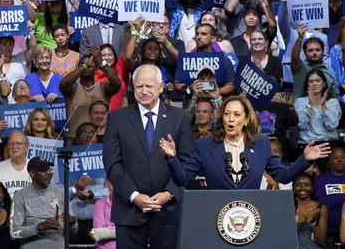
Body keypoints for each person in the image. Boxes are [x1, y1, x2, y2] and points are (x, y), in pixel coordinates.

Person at [103, 65, 193, 249]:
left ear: (161, 86)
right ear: (132, 88)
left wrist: (168, 194)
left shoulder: (180, 117)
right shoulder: (116, 118)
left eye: (149, 86)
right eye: (139, 86)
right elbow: (112, 164)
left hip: (169, 211)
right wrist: (134, 196)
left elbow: (187, 163)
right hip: (129, 211)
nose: (144, 91)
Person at [161, 95, 330, 187]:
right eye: (226, 114)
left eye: (236, 115)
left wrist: (305, 159)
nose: (230, 119)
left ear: (246, 119)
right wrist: (172, 157)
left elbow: (283, 176)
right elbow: (182, 179)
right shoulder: (205, 145)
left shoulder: (262, 143)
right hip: (217, 214)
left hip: (250, 215)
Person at [9, 157, 76, 247]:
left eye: (49, 170)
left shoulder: (60, 193)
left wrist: (72, 222)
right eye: (43, 171)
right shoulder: (20, 196)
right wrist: (39, 227)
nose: (48, 173)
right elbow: (14, 233)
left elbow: (74, 231)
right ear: (32, 174)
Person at [314, 141, 345, 243]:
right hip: (328, 231)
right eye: (335, 158)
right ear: (329, 161)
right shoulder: (320, 179)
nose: (339, 160)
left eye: (343, 157)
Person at [294, 69, 342, 145]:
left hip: (328, 143)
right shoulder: (300, 101)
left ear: (324, 84)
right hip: (306, 144)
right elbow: (301, 125)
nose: (314, 84)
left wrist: (323, 105)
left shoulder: (332, 102)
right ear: (307, 85)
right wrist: (310, 104)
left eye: (318, 80)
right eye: (311, 81)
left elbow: (332, 126)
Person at [0, 131, 31, 198]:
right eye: (11, 144)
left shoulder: (35, 169)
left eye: (18, 143)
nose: (14, 146)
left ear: (27, 147)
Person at [294, 173, 328, 248]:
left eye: (307, 185)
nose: (303, 188)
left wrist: (314, 222)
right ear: (293, 187)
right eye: (298, 185)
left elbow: (321, 241)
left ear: (312, 188)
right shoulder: (289, 208)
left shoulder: (321, 208)